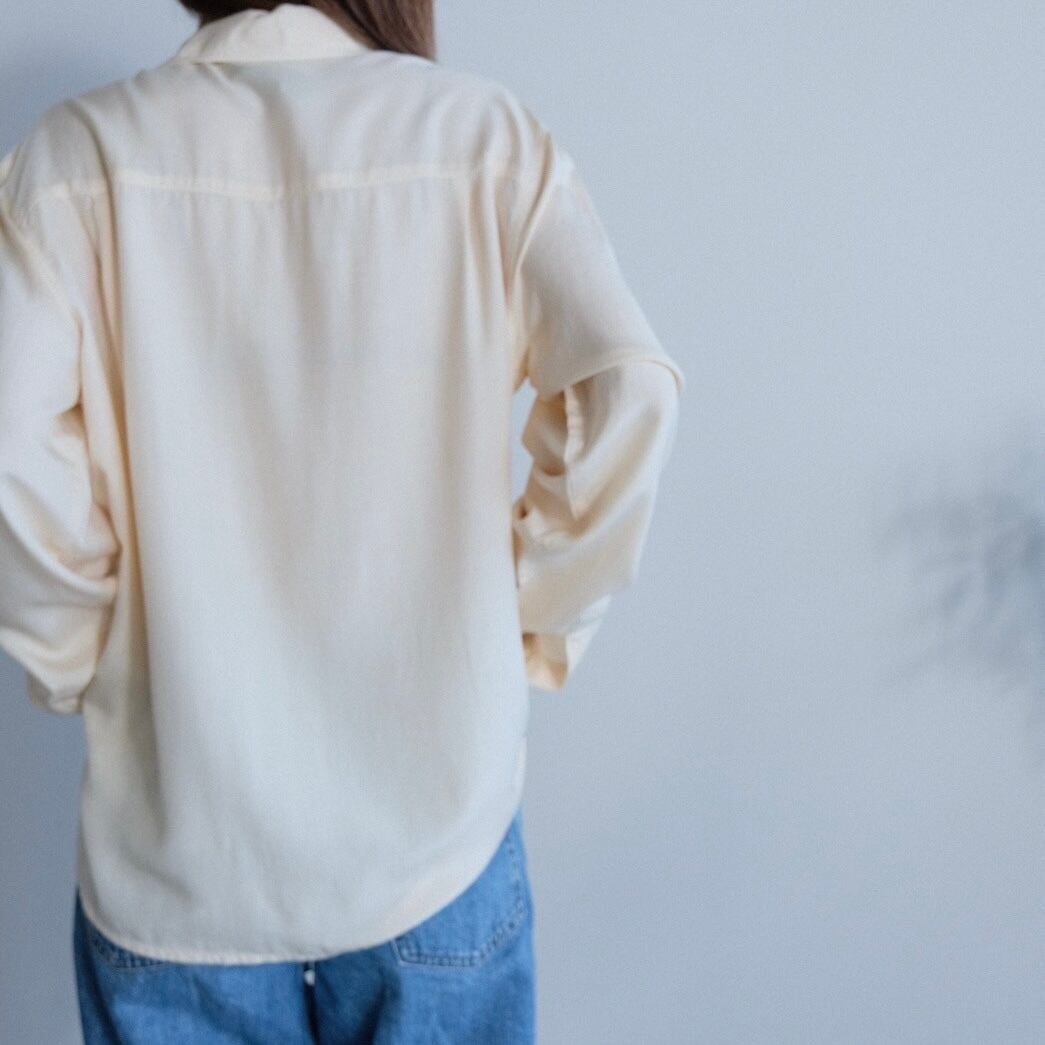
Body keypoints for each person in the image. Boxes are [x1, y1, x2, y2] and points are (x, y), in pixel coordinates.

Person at [0, 1, 685, 1041]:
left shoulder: (74, 159)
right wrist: (526, 619)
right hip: (432, 837)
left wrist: (81, 653)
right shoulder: (482, 140)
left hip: (181, 853)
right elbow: (628, 387)